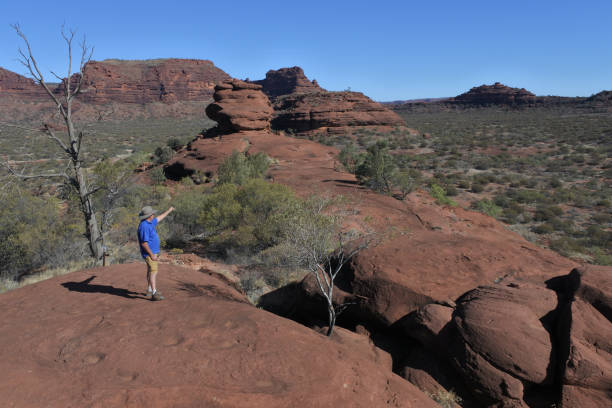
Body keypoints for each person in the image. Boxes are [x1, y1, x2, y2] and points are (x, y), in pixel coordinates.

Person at [137, 205, 174, 301]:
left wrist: (169, 210)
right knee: (154, 271)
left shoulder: (150, 222)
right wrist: (152, 255)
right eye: (152, 213)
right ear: (149, 216)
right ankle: (154, 293)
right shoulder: (144, 226)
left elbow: (159, 218)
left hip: (152, 252)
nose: (154, 214)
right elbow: (144, 243)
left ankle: (149, 290)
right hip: (150, 253)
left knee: (150, 270)